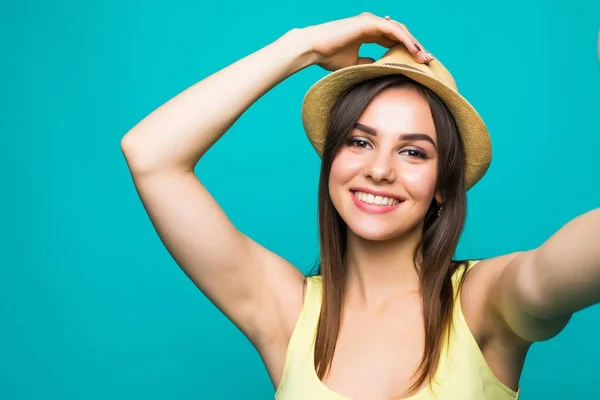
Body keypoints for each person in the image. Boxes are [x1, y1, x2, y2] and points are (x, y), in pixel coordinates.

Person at [120, 13, 600, 399]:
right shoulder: (286, 310)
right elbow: (151, 155)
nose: (380, 170)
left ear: (443, 186)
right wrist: (301, 46)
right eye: (359, 142)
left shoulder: (487, 303)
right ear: (332, 160)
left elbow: (560, 268)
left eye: (413, 151)